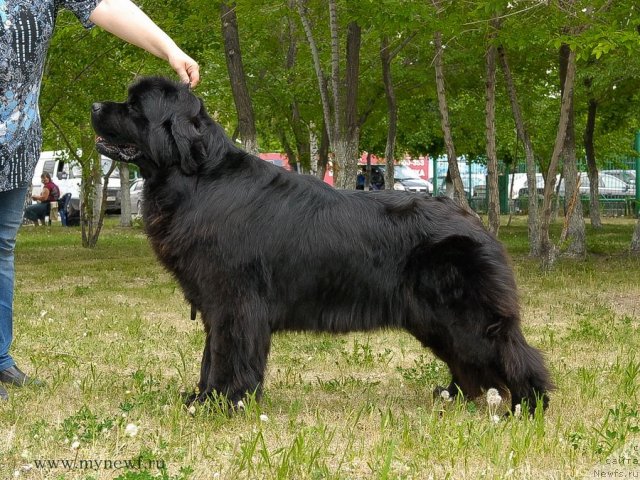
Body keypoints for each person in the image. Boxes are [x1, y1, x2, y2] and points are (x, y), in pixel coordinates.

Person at [0, 0, 200, 401]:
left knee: (1, 249)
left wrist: (169, 48)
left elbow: (105, 4)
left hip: (15, 143)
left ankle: (0, 359)